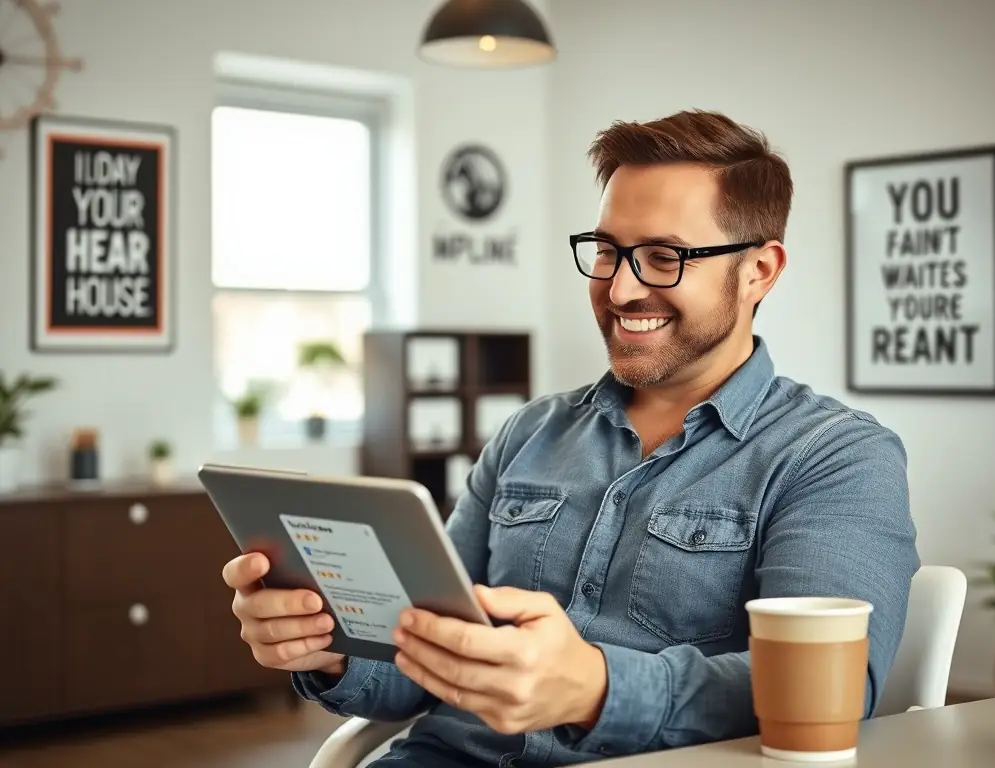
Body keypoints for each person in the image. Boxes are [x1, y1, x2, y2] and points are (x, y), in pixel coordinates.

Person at [222, 109, 919, 767]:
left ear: (759, 269)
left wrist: (593, 686)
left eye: (663, 257)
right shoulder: (531, 432)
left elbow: (831, 693)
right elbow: (430, 657)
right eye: (608, 252)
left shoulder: (835, 456)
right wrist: (331, 648)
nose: (618, 291)